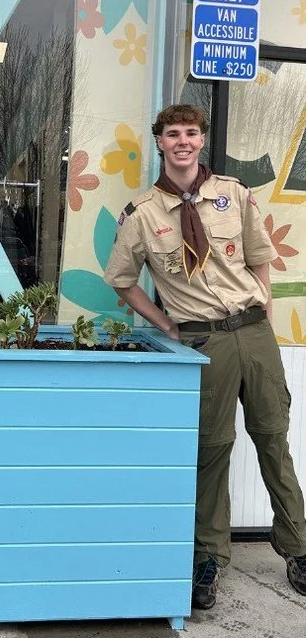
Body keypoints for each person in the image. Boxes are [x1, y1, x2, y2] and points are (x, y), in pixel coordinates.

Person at [104, 104, 306, 610]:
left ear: (201, 140)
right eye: (173, 134)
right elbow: (122, 281)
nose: (183, 142)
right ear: (160, 143)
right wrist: (168, 324)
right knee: (212, 449)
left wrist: (262, 301)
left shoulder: (233, 194)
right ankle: (208, 557)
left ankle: (299, 547)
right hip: (202, 342)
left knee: (272, 441)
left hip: (254, 336)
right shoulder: (143, 214)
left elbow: (260, 255)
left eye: (191, 133)